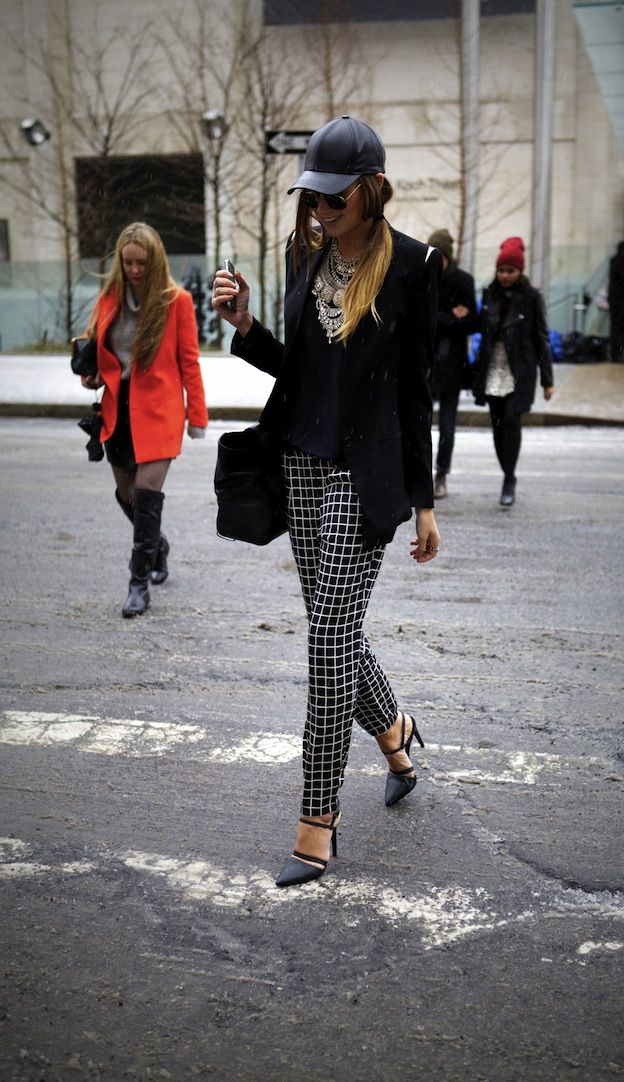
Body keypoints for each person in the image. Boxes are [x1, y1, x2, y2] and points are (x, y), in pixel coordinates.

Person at [212, 115, 441, 888]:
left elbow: (416, 393)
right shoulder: (306, 257)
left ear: (372, 190)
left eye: (334, 199)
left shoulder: (414, 265)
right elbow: (300, 371)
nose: (320, 211)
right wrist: (246, 326)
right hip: (301, 468)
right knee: (334, 632)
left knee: (326, 645)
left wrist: (424, 500)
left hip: (364, 478)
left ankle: (318, 821)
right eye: (312, 198)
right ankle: (396, 734)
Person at [79, 222, 208, 618]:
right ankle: (157, 546)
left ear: (156, 261)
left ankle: (138, 586)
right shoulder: (109, 299)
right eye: (128, 262)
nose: (134, 269)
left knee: (147, 496)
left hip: (160, 410)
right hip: (117, 408)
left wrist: (197, 415)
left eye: (142, 263)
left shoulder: (176, 301)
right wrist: (90, 374)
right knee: (128, 496)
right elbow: (95, 346)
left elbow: (189, 361)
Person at [472, 237, 554, 508]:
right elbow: (481, 328)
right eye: (501, 270)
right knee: (497, 426)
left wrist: (548, 380)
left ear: (520, 271)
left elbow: (542, 339)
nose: (505, 275)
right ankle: (506, 471)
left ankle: (509, 478)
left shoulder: (532, 298)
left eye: (510, 270)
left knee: (511, 421)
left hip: (519, 370)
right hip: (492, 369)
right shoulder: (489, 294)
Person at [427, 228, 478, 500]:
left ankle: (441, 474)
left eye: (441, 255)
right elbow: (415, 319)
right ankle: (420, 474)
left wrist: (436, 317)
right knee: (419, 425)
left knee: (447, 426)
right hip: (425, 363)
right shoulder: (422, 276)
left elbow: (471, 323)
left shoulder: (463, 281)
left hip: (451, 365)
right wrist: (450, 317)